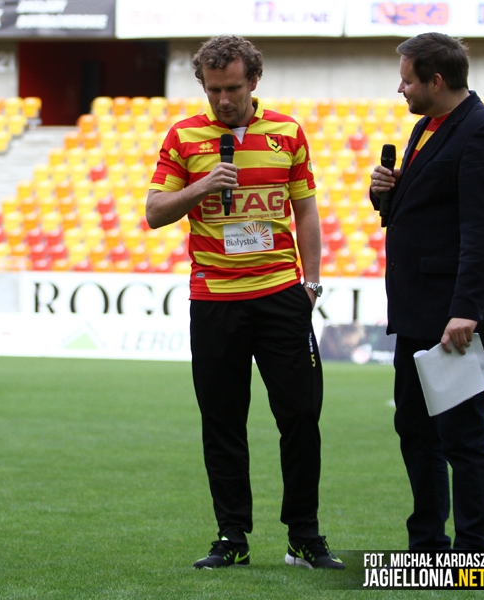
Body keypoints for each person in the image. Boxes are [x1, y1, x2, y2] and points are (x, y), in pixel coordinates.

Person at [146, 35, 343, 570]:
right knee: (223, 421)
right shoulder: (184, 136)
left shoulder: (287, 132)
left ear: (254, 81)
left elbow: (306, 211)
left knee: (300, 417)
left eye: (233, 88)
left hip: (281, 295)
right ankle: (231, 537)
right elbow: (155, 212)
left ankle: (304, 537)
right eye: (213, 90)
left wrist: (312, 284)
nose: (224, 100)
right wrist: (202, 187)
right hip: (215, 300)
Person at [369, 33, 484, 551]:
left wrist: (466, 311)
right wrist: (384, 194)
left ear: (436, 81)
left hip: (456, 317)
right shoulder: (426, 127)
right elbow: (423, 213)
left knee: (462, 435)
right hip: (416, 312)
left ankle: (475, 549)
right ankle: (427, 545)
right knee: (414, 428)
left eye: (407, 80)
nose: (400, 89)